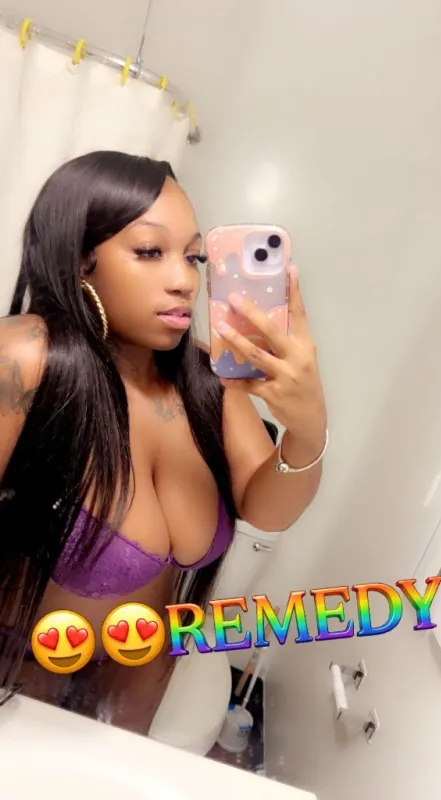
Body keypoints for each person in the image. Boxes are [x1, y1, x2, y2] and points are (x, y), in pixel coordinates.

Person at [0, 150, 327, 733]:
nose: (185, 280)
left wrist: (307, 428)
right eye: (151, 251)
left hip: (142, 669)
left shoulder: (206, 378)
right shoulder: (28, 357)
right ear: (80, 260)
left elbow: (267, 511)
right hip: (24, 669)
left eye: (194, 256)